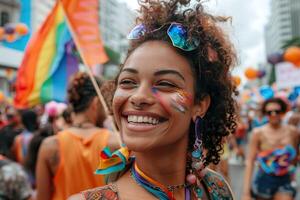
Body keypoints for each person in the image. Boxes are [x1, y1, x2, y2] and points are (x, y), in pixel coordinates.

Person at [71, 0, 238, 199]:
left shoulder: (215, 189)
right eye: (128, 81)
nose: (139, 97)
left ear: (199, 105)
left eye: (166, 84)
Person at [36, 72, 120, 200]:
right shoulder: (116, 143)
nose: (107, 110)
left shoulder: (50, 146)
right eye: (105, 104)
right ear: (96, 102)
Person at [243, 97, 299, 200]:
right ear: (265, 113)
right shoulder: (258, 133)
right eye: (269, 112)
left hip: (285, 180)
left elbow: (295, 159)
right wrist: (246, 193)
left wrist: (292, 178)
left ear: (283, 112)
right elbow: (250, 162)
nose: (273, 114)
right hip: (264, 180)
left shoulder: (293, 132)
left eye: (277, 111)